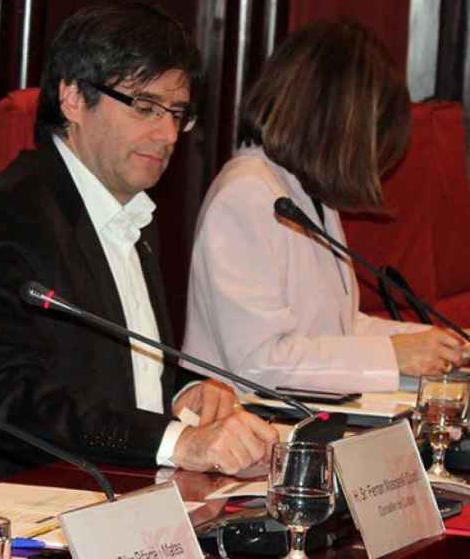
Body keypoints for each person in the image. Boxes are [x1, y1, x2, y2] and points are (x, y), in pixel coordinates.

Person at [0, 4, 278, 482]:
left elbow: (119, 377)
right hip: (31, 507)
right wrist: (177, 442)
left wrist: (185, 392)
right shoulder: (2, 222)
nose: (168, 134)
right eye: (145, 107)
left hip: (128, 494)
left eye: (177, 114)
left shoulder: (132, 212)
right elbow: (7, 404)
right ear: (72, 99)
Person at [182, 22, 469, 394]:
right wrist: (394, 354)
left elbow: (337, 330)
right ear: (338, 125)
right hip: (247, 431)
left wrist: (434, 342)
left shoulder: (306, 192)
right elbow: (260, 360)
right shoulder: (246, 195)